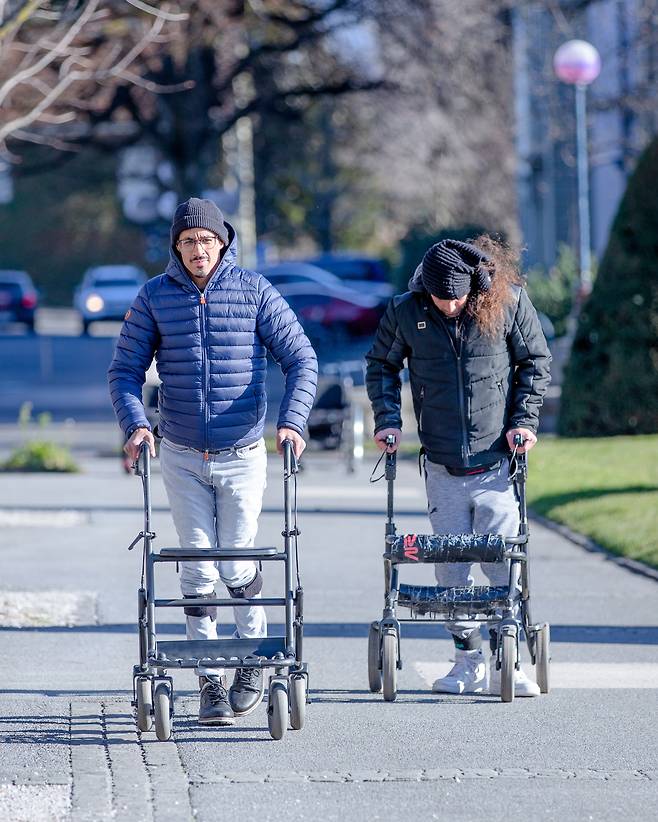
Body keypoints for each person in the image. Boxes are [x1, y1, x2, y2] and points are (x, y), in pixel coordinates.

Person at [108, 198, 317, 725]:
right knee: (196, 567)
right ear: (176, 249)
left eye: (206, 241)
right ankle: (209, 680)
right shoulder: (155, 297)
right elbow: (124, 370)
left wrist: (292, 421)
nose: (197, 250)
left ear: (222, 243)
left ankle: (250, 660)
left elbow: (301, 358)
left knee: (238, 560)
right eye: (187, 242)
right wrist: (135, 424)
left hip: (242, 451)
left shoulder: (254, 291)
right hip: (179, 453)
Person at [365, 236, 551, 697]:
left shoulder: (506, 303)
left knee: (500, 560)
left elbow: (535, 362)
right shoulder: (407, 311)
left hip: (496, 463)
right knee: (450, 567)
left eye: (457, 297)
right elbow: (381, 366)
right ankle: (466, 658)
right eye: (439, 298)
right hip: (442, 463)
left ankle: (505, 651)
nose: (448, 306)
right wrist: (388, 421)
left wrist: (524, 422)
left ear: (474, 287)